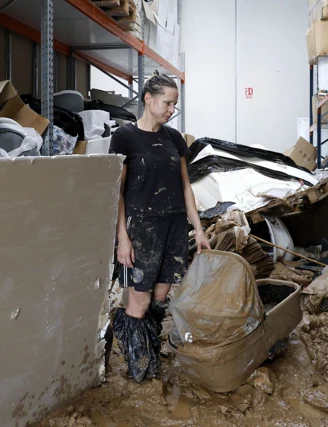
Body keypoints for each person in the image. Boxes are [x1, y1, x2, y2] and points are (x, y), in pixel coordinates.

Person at [109, 73, 210, 382]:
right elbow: (117, 192)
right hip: (140, 229)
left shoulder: (174, 138)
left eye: (174, 104)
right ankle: (140, 368)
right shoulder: (124, 137)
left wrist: (199, 228)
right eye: (167, 102)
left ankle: (149, 352)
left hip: (174, 227)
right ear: (148, 99)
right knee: (138, 302)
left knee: (159, 299)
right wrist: (122, 239)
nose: (171, 109)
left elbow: (185, 186)